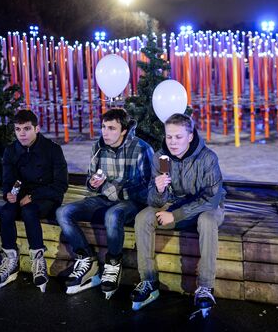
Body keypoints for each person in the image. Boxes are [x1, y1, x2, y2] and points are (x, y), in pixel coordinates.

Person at [131, 113, 225, 315]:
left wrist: (176, 215)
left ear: (190, 137)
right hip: (174, 205)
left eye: (178, 137)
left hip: (207, 207)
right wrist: (158, 190)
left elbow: (211, 198)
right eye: (169, 137)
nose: (172, 142)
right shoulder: (162, 158)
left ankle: (205, 287)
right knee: (143, 217)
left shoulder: (207, 158)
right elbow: (155, 202)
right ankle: (148, 281)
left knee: (207, 222)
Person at [56, 108, 154, 297]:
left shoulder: (141, 148)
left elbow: (146, 189)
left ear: (124, 130)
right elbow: (91, 183)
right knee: (63, 212)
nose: (105, 132)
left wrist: (114, 189)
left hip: (132, 202)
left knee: (113, 214)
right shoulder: (98, 148)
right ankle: (86, 257)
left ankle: (113, 263)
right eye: (103, 127)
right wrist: (93, 183)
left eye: (111, 128)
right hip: (103, 199)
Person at [0, 110, 68, 292]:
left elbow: (61, 185)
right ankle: (10, 260)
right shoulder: (11, 151)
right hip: (21, 195)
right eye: (18, 129)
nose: (22, 133)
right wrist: (8, 194)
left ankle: (38, 260)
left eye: (26, 129)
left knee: (29, 211)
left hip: (47, 196)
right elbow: (7, 180)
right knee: (6, 212)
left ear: (37, 128)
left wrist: (34, 196)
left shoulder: (52, 149)